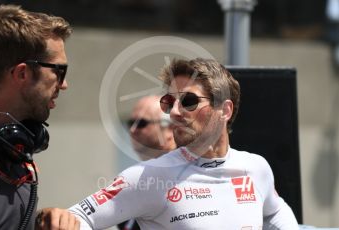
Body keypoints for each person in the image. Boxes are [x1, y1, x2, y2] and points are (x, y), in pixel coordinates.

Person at [48, 58, 299, 229]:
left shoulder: (256, 167)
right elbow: (78, 218)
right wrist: (51, 216)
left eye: (188, 101)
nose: (175, 113)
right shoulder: (146, 177)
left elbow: (275, 211)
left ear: (225, 110)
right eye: (169, 102)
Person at [0, 4, 79, 229]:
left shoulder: (12, 149)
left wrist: (39, 220)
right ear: (22, 73)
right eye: (59, 71)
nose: (65, 84)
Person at [118, 95, 176, 230]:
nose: (132, 130)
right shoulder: (133, 181)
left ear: (170, 129)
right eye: (130, 123)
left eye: (142, 123)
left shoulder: (187, 175)